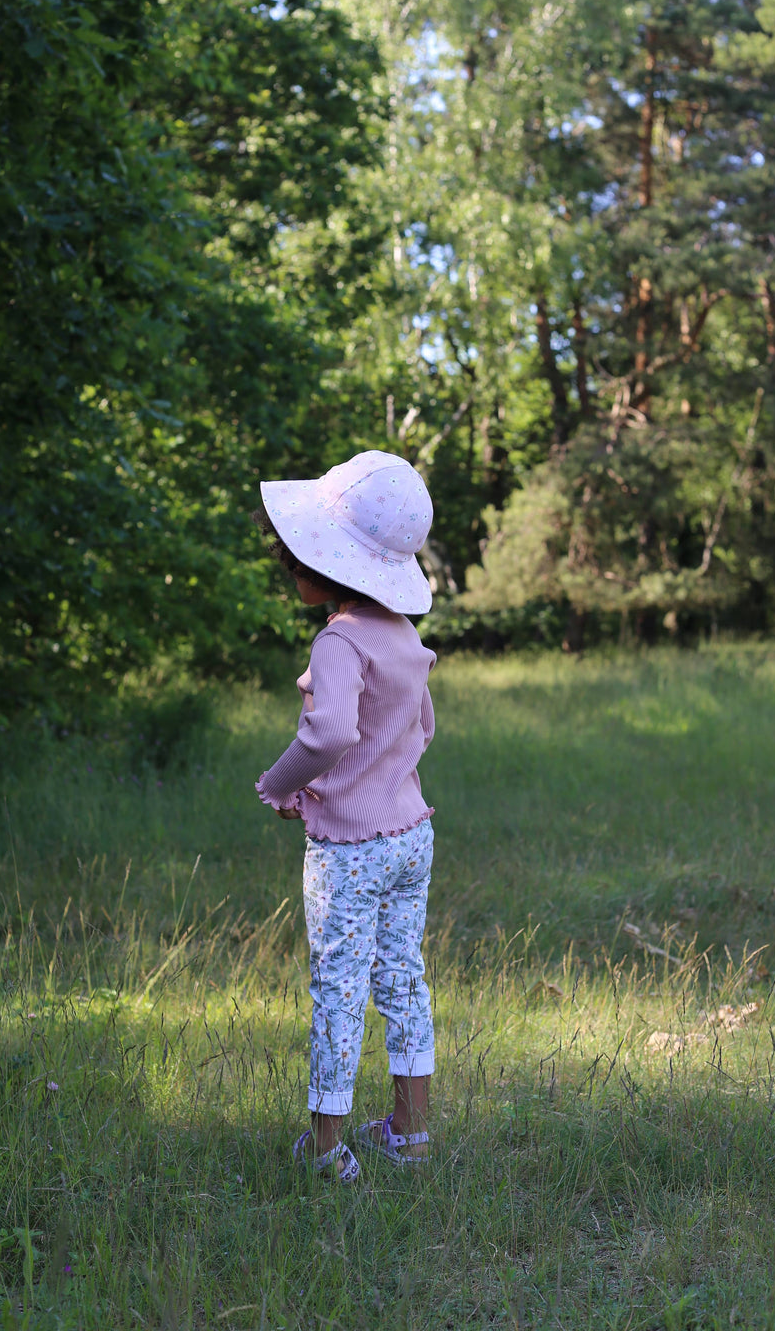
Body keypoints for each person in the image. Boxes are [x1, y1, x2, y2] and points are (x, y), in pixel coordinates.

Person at [254, 449, 438, 1184]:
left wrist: (279, 784)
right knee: (402, 979)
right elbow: (419, 727)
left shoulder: (338, 639)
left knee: (337, 986)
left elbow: (327, 733)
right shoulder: (402, 636)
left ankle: (329, 1151)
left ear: (319, 565)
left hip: (350, 847)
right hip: (410, 834)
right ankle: (410, 1133)